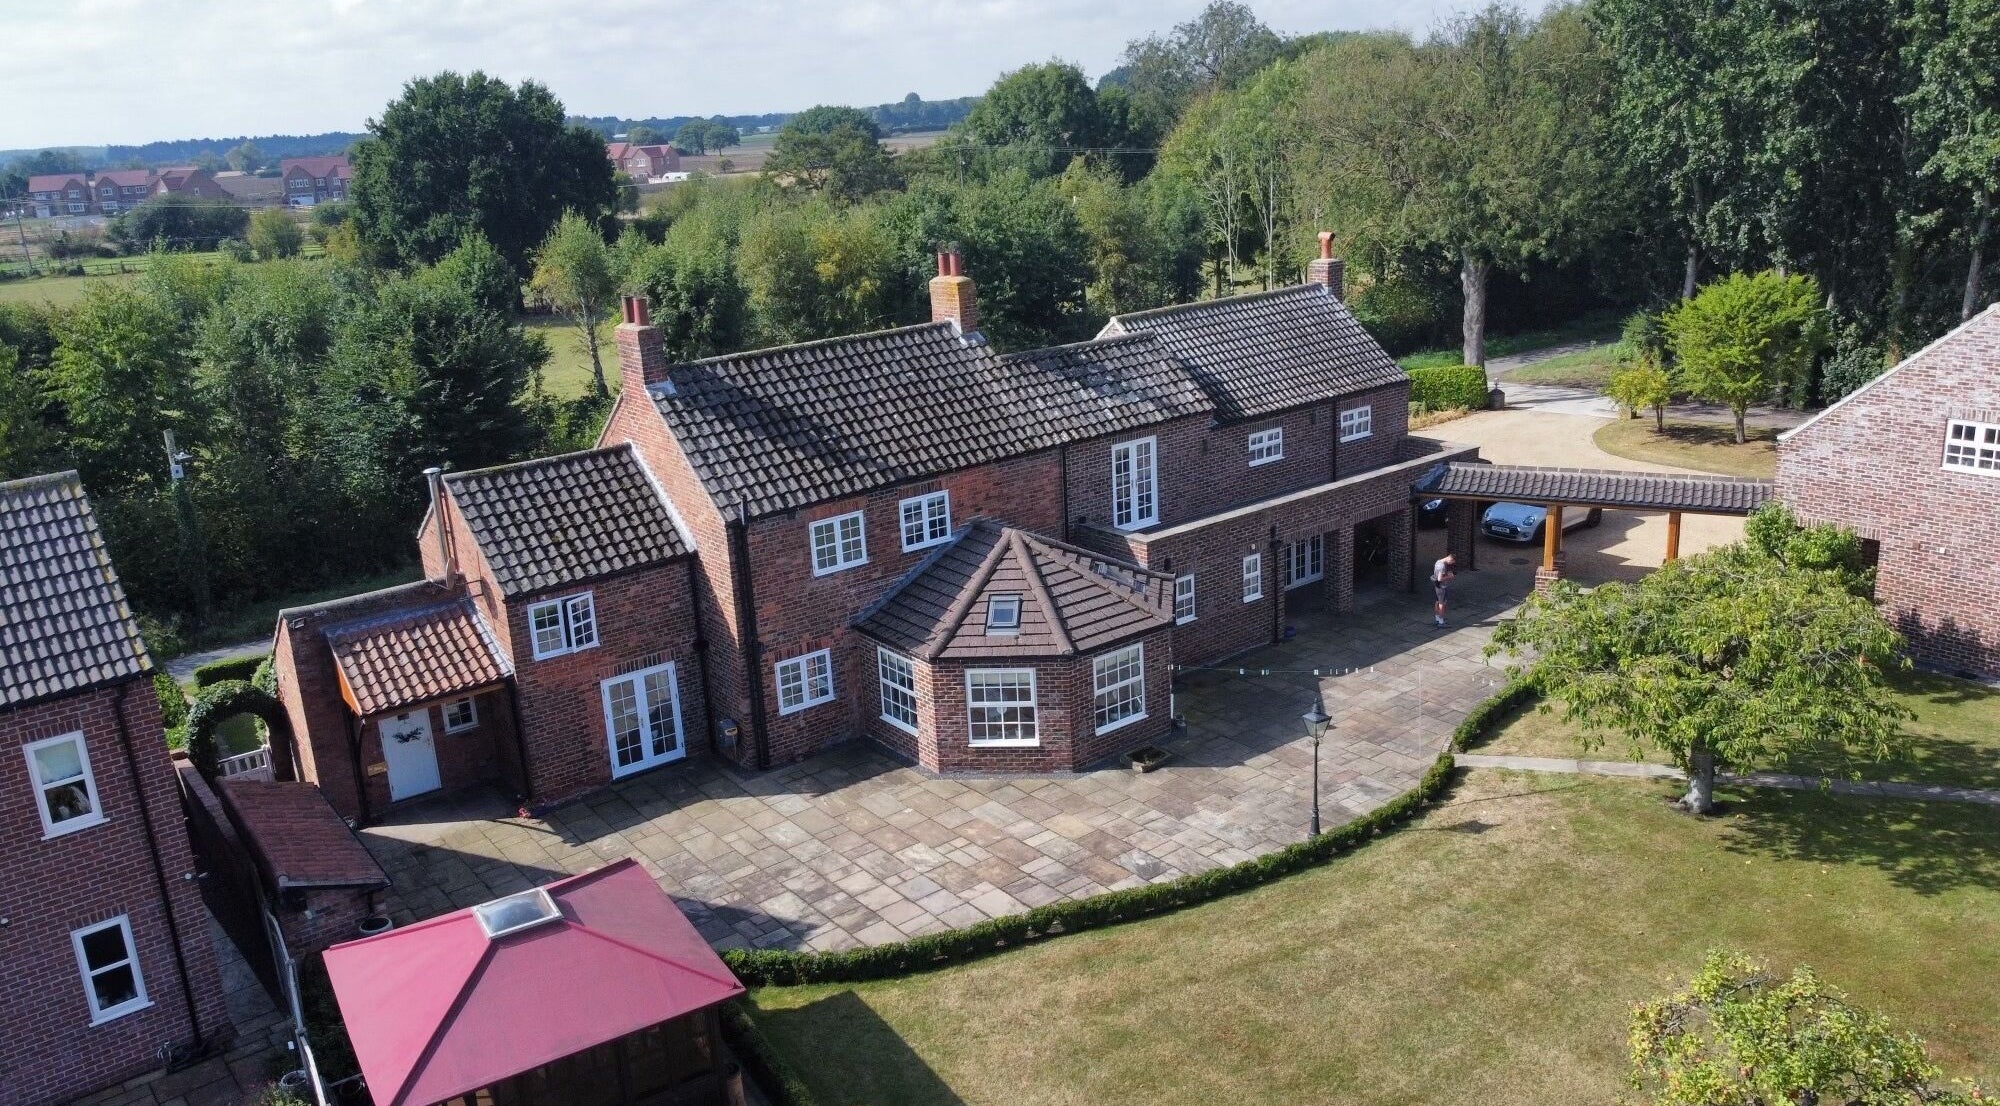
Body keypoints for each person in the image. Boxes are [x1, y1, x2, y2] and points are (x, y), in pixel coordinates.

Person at [1431, 552, 1456, 628]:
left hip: (1436, 586)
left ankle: (1437, 619)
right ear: (1450, 559)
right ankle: (1441, 622)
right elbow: (1440, 579)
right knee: (1442, 604)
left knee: (1437, 602)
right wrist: (1449, 576)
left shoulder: (1438, 562)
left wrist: (1446, 574)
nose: (1451, 564)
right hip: (1442, 587)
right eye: (1452, 562)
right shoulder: (1442, 566)